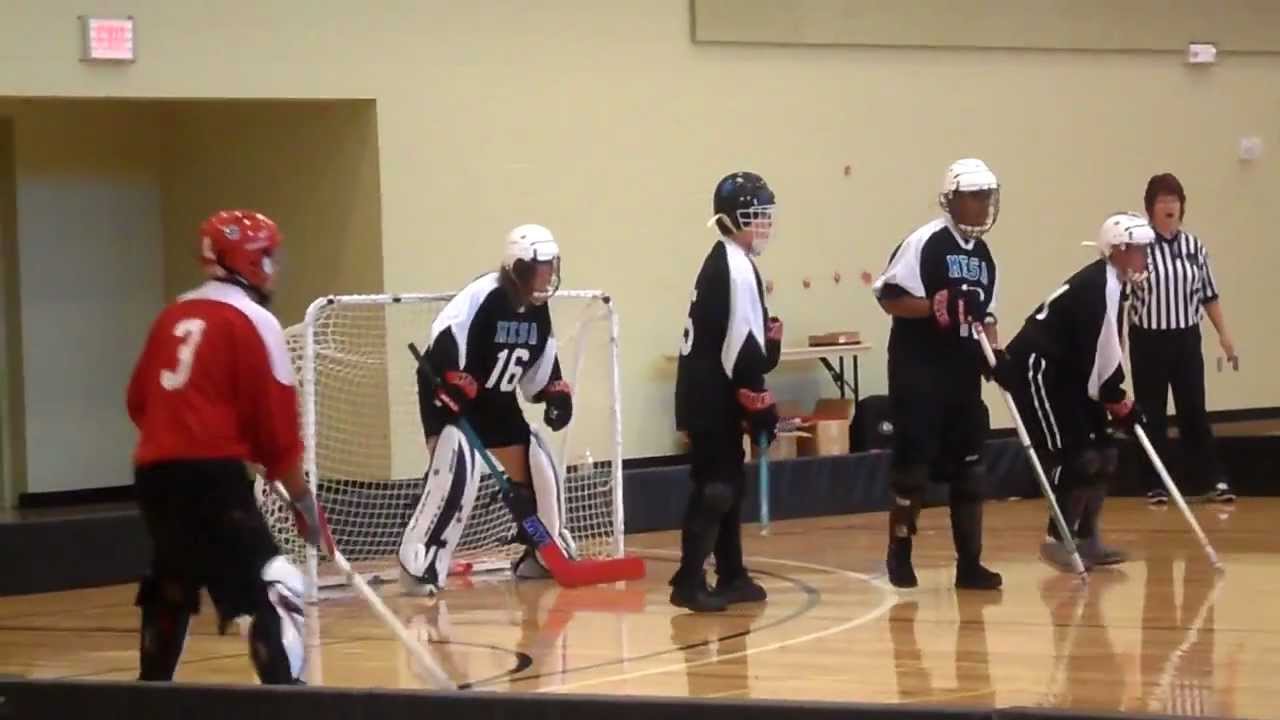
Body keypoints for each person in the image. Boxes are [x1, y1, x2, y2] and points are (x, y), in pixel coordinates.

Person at [126, 209, 333, 684]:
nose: (274, 268)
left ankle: (150, 692)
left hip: (155, 475)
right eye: (269, 257)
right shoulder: (255, 321)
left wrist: (189, 432)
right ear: (250, 260)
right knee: (272, 582)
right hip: (212, 477)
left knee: (173, 580)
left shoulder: (171, 315)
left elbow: (139, 401)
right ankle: (285, 692)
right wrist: (302, 499)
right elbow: (277, 428)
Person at [399, 224, 575, 596]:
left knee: (536, 462)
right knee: (458, 469)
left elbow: (538, 373)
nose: (545, 277)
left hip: (498, 398)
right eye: (537, 268)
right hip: (454, 395)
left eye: (549, 268)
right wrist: (448, 381)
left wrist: (554, 394)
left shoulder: (539, 312)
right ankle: (421, 557)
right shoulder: (485, 295)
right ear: (517, 267)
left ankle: (544, 548)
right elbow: (447, 333)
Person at [993, 212, 1152, 570]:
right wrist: (1115, 396)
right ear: (1119, 250)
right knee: (1076, 455)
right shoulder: (1100, 286)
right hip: (1040, 370)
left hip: (1072, 373)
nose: (1144, 257)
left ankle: (1087, 537)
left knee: (1104, 453)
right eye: (1139, 249)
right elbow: (1103, 349)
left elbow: (1106, 349)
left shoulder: (1114, 284)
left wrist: (1115, 396)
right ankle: (1058, 537)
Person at [872, 157, 1003, 591]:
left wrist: (994, 352)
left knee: (971, 471)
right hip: (919, 373)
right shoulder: (925, 242)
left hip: (962, 376)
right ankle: (899, 552)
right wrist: (934, 307)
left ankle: (970, 564)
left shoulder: (984, 256)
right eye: (974, 197)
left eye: (987, 196)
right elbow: (889, 296)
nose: (983, 205)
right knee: (913, 473)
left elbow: (986, 314)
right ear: (953, 199)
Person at [672, 171, 782, 613]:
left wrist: (767, 348)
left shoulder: (730, 259)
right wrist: (759, 402)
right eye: (757, 215)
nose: (764, 224)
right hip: (709, 395)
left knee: (729, 485)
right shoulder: (734, 267)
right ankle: (689, 579)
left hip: (709, 390)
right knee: (716, 487)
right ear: (735, 217)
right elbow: (741, 350)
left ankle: (732, 573)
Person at [1129, 173, 1236, 504]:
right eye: (1162, 200)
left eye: (1174, 200)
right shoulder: (1138, 247)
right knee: (1153, 413)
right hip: (1148, 339)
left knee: (1193, 409)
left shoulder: (1194, 247)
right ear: (1150, 208)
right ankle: (1157, 484)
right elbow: (1123, 298)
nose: (1169, 205)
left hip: (1186, 338)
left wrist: (1225, 336)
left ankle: (1210, 480)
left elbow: (1209, 295)